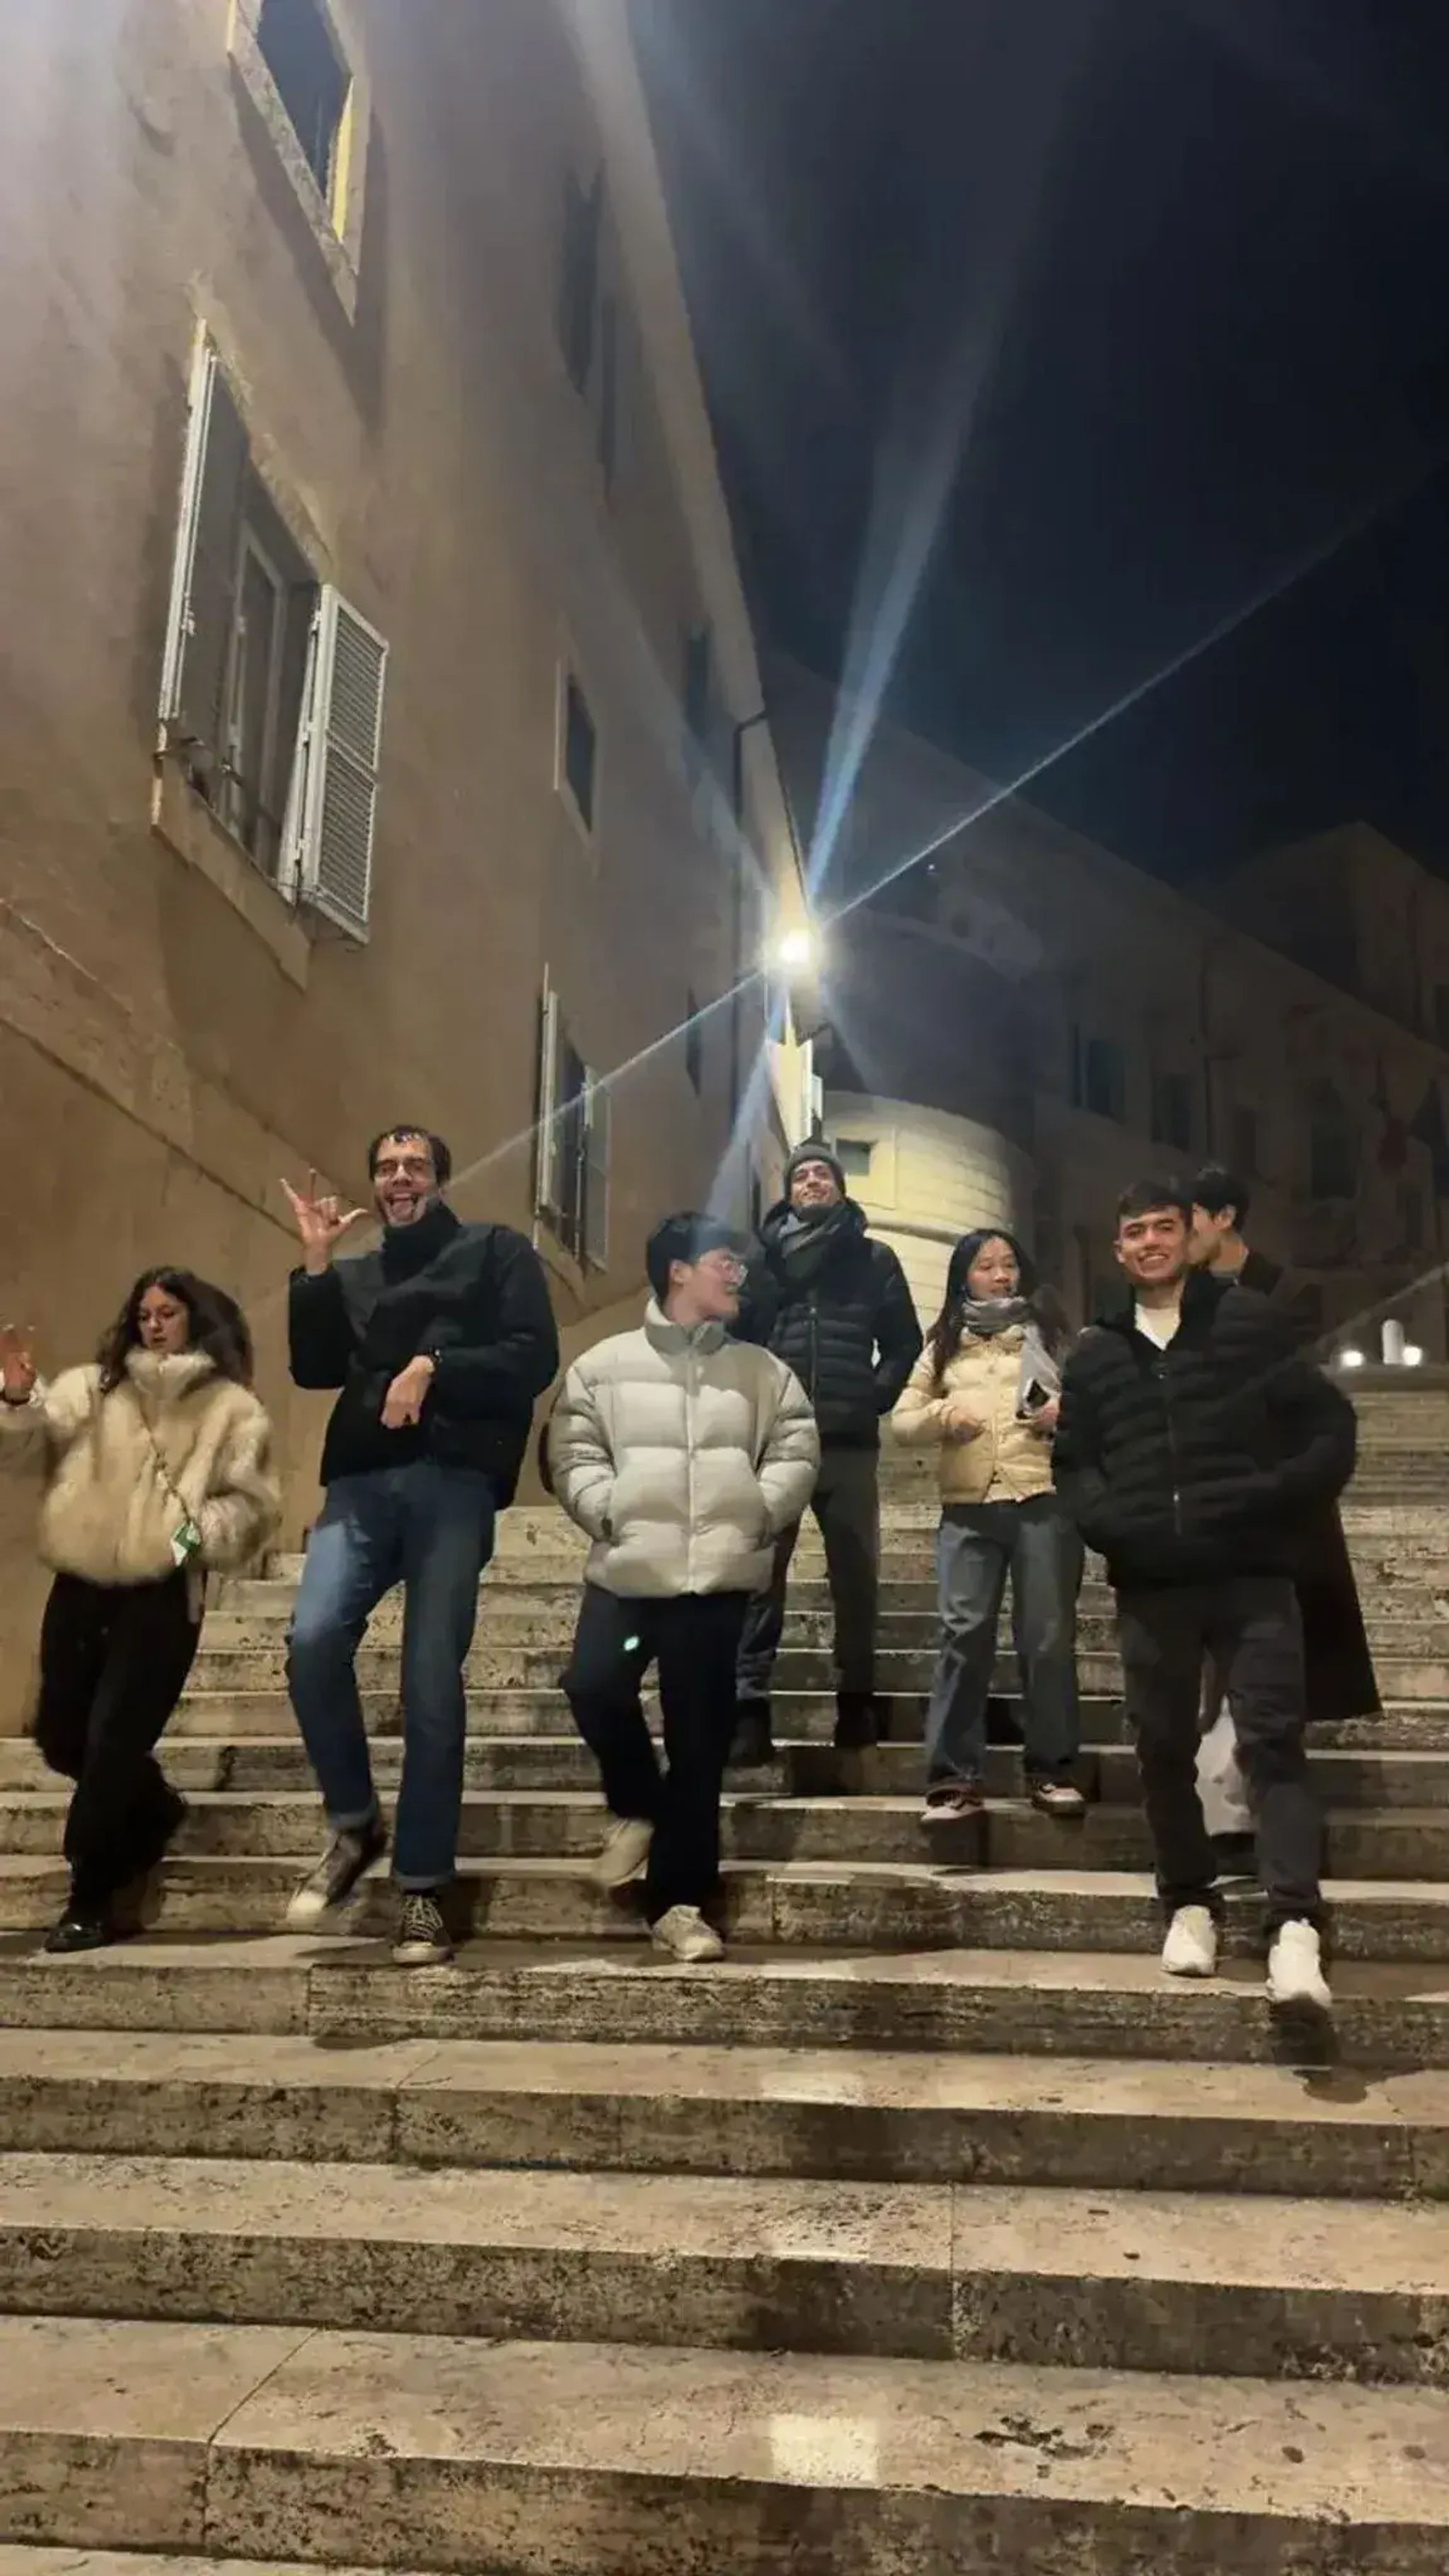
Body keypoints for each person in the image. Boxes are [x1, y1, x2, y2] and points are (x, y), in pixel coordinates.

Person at [1053, 1177, 1356, 2009]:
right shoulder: (1097, 1352)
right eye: (1133, 1231)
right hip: (1153, 1580)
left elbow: (1329, 1428)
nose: (1149, 1241)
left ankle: (1293, 1923)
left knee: (1270, 1743)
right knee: (1158, 1747)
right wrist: (1111, 1525)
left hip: (1250, 1573)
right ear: (1117, 1251)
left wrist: (1273, 1501)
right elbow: (1074, 1461)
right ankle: (1188, 1900)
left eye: (1162, 1226)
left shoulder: (1249, 1324)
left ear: (1190, 1235)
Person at [282, 1126, 558, 1967]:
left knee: (430, 1676)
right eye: (385, 1167)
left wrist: (432, 1363)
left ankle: (424, 1887)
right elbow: (314, 1366)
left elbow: (532, 1354)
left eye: (415, 1166)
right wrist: (319, 1266)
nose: (399, 1177)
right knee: (311, 1641)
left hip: (453, 1480)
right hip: (362, 1479)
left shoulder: (495, 1251)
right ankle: (354, 1820)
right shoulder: (360, 1273)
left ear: (440, 1178)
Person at [549, 1213, 819, 1963]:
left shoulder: (763, 1370)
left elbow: (795, 1445)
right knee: (593, 1684)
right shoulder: (603, 1365)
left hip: (715, 1585)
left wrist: (758, 1513)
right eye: (722, 1261)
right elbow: (571, 1448)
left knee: (699, 1744)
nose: (736, 1274)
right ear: (677, 1270)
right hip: (630, 1575)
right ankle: (636, 1802)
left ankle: (680, 1901)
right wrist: (606, 1508)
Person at [0, 1272, 278, 1953]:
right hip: (82, 1583)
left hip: (160, 1595)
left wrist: (187, 1535)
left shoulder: (231, 1409)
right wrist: (14, 1393)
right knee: (62, 1737)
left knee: (112, 1744)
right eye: (145, 1313)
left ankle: (90, 1894)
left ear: (194, 1320)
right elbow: (29, 1439)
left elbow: (250, 1506)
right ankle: (154, 1807)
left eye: (169, 1313)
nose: (154, 1324)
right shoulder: (94, 1387)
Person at [1190, 1163, 1379, 1847]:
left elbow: (1289, 1387)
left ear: (1224, 1218)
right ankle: (1227, 1799)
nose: (1176, 1238)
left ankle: (1257, 1802)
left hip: (1283, 1500)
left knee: (1275, 1656)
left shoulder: (1291, 1292)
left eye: (1189, 1221)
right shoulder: (1174, 1297)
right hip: (1214, 1502)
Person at [731, 1143, 921, 1764]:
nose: (812, 1182)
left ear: (840, 1189)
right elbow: (735, 1336)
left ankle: (857, 1702)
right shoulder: (759, 1261)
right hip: (775, 1439)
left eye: (823, 1174)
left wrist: (873, 1395)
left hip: (847, 1439)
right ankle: (748, 1707)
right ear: (788, 1192)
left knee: (855, 1577)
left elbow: (903, 1340)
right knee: (760, 1577)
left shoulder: (873, 1258)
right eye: (802, 1175)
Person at [893, 1228, 1085, 1823]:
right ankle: (954, 1777)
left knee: (1047, 1639)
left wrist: (1065, 1412)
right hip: (968, 1506)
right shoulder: (944, 1344)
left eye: (1008, 1265)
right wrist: (945, 1414)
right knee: (963, 1635)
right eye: (985, 1266)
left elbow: (1101, 1405)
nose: (1001, 1276)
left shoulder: (1053, 1336)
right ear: (963, 1277)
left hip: (1043, 1499)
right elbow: (902, 1421)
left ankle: (1052, 1770)